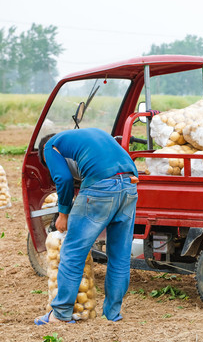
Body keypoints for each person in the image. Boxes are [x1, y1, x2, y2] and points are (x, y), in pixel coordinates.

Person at [34, 128, 139, 325]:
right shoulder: (88, 137)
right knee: (120, 255)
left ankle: (60, 314)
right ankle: (112, 314)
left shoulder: (50, 146)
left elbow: (63, 178)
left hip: (101, 188)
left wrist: (63, 214)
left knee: (73, 251)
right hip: (130, 185)